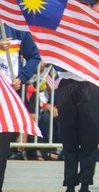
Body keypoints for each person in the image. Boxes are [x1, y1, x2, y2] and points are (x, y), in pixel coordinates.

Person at [54, 0, 99, 192]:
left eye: (85, 5)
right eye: (77, 5)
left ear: (91, 7)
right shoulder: (62, 29)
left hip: (90, 85)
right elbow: (54, 60)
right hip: (67, 84)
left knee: (90, 138)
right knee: (69, 137)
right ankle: (70, 183)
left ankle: (85, 183)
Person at [0, 22, 41, 191]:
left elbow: (34, 56)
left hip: (8, 97)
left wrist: (21, 77)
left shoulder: (17, 28)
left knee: (2, 149)